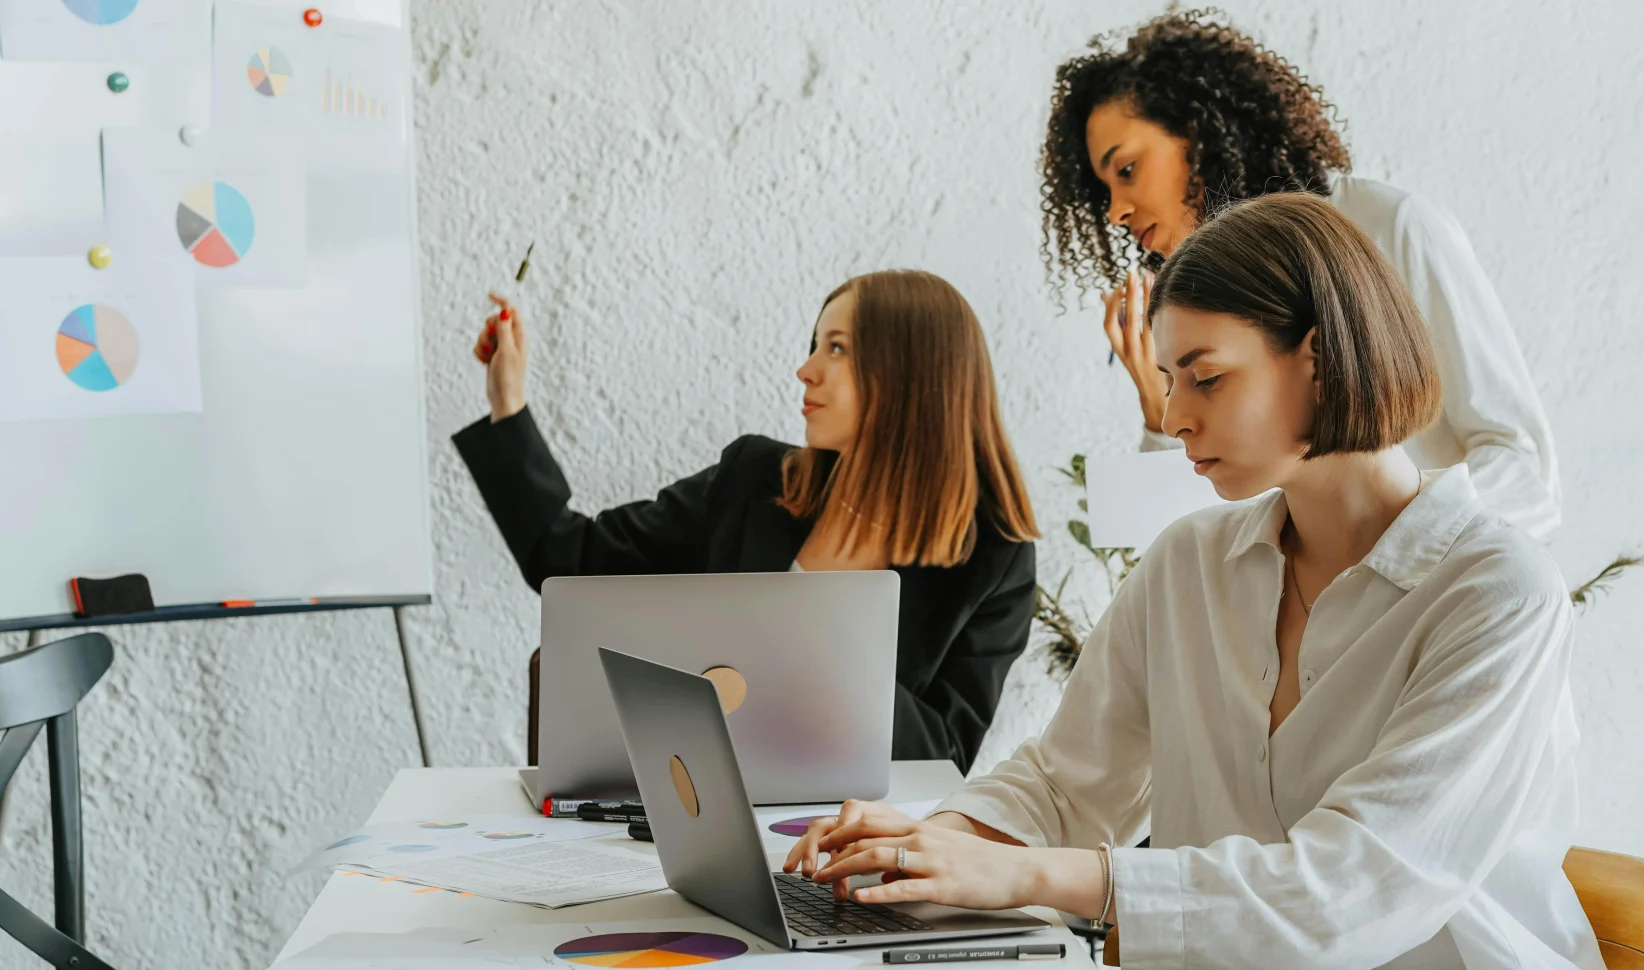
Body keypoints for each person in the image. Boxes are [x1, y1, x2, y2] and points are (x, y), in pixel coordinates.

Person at [784, 195, 1601, 970]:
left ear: (1319, 357)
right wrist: (923, 844)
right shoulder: (1189, 563)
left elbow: (1349, 893)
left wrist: (1032, 878)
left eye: (1204, 378)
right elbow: (1067, 782)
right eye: (1169, 379)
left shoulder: (1497, 594)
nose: (1173, 417)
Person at [453, 269, 1040, 773]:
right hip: (694, 803)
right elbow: (566, 559)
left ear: (913, 376)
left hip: (842, 843)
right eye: (816, 344)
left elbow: (945, 758)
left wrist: (818, 641)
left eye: (837, 348)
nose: (805, 369)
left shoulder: (994, 557)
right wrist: (509, 403)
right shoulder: (754, 480)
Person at [1041, 10, 1560, 538]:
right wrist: (1161, 408)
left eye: (1126, 170)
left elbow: (1523, 468)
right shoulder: (1197, 308)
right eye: (1103, 191)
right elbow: (1185, 545)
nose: (1114, 212)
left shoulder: (1390, 228)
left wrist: (1391, 549)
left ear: (1198, 133)